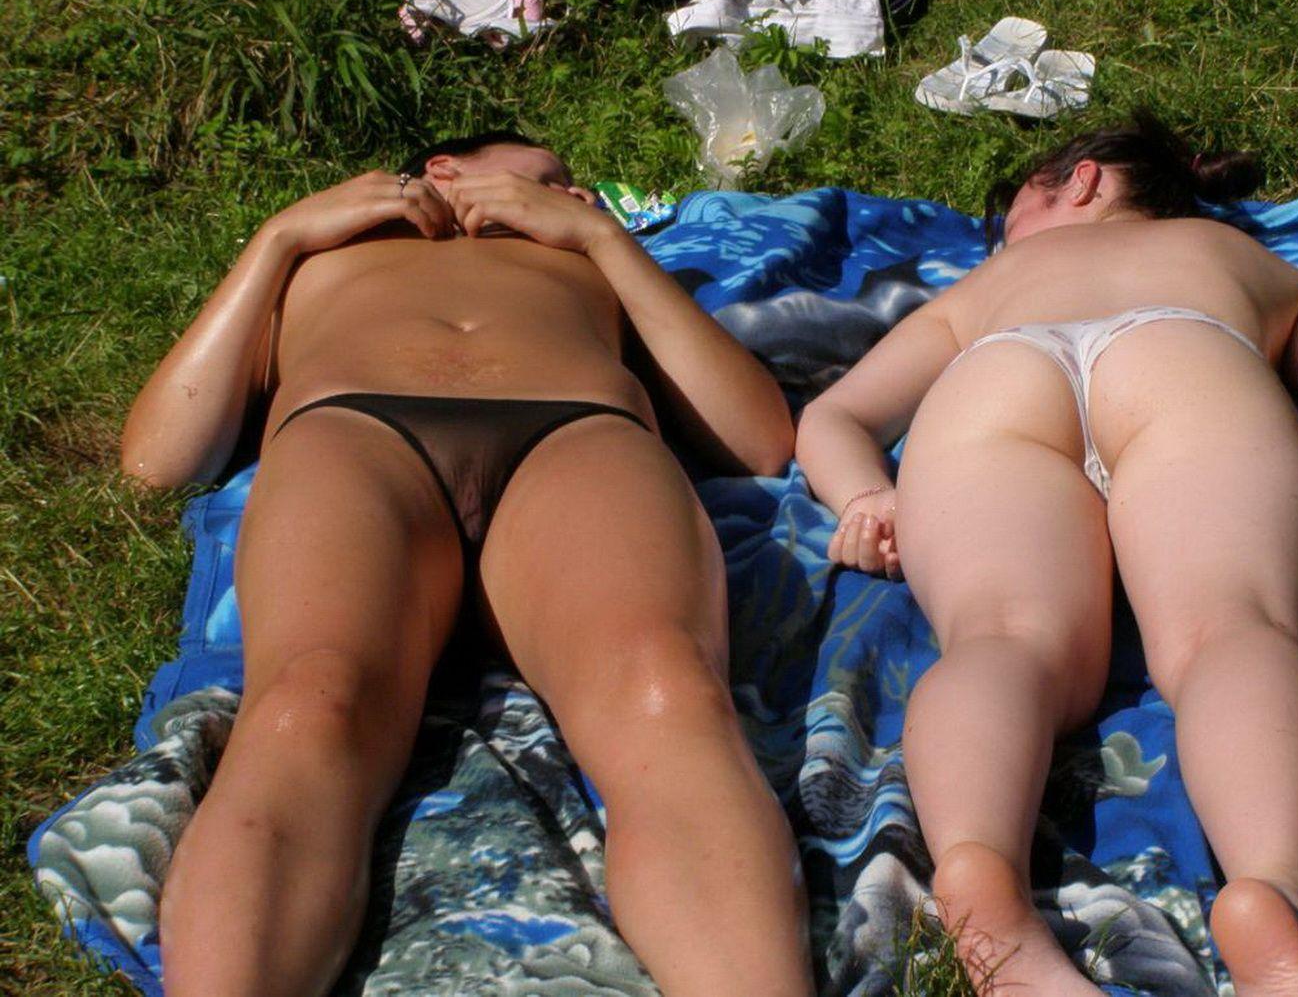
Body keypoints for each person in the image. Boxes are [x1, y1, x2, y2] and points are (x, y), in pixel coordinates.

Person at [120, 133, 813, 997]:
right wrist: (280, 237)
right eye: (552, 176)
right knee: (308, 702)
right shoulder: (327, 246)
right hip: (358, 429)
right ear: (445, 170)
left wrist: (601, 240)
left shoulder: (591, 252)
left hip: (574, 432)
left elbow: (758, 440)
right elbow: (158, 461)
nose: (577, 192)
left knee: (668, 688)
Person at [793, 111, 1298, 997]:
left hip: (1000, 376)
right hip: (1183, 356)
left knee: (1002, 637)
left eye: (1012, 211)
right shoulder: (1231, 255)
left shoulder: (991, 282)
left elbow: (833, 416)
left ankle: (980, 870)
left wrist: (864, 496)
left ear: (1081, 180)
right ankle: (1278, 897)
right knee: (1232, 627)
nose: (1000, 235)